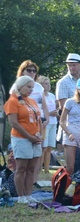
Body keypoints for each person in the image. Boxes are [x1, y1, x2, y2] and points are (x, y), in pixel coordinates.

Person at [4, 75, 43, 203]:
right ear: (20, 86)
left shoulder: (31, 101)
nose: (31, 89)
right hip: (21, 138)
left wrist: (39, 134)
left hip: (35, 138)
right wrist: (29, 137)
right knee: (21, 168)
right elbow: (14, 123)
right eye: (28, 87)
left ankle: (29, 194)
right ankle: (21, 196)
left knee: (32, 168)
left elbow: (39, 119)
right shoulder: (12, 101)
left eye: (32, 87)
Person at [59, 77, 80, 177]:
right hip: (71, 130)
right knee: (70, 167)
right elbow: (62, 121)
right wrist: (68, 133)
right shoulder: (70, 102)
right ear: (78, 89)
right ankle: (67, 187)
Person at [35, 75, 58, 174]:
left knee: (49, 147)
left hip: (53, 122)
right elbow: (39, 110)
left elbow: (55, 107)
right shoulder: (39, 96)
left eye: (49, 83)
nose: (48, 85)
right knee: (43, 147)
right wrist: (49, 113)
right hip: (44, 123)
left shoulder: (52, 95)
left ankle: (47, 169)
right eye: (45, 84)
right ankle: (39, 168)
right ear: (41, 85)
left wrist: (56, 112)